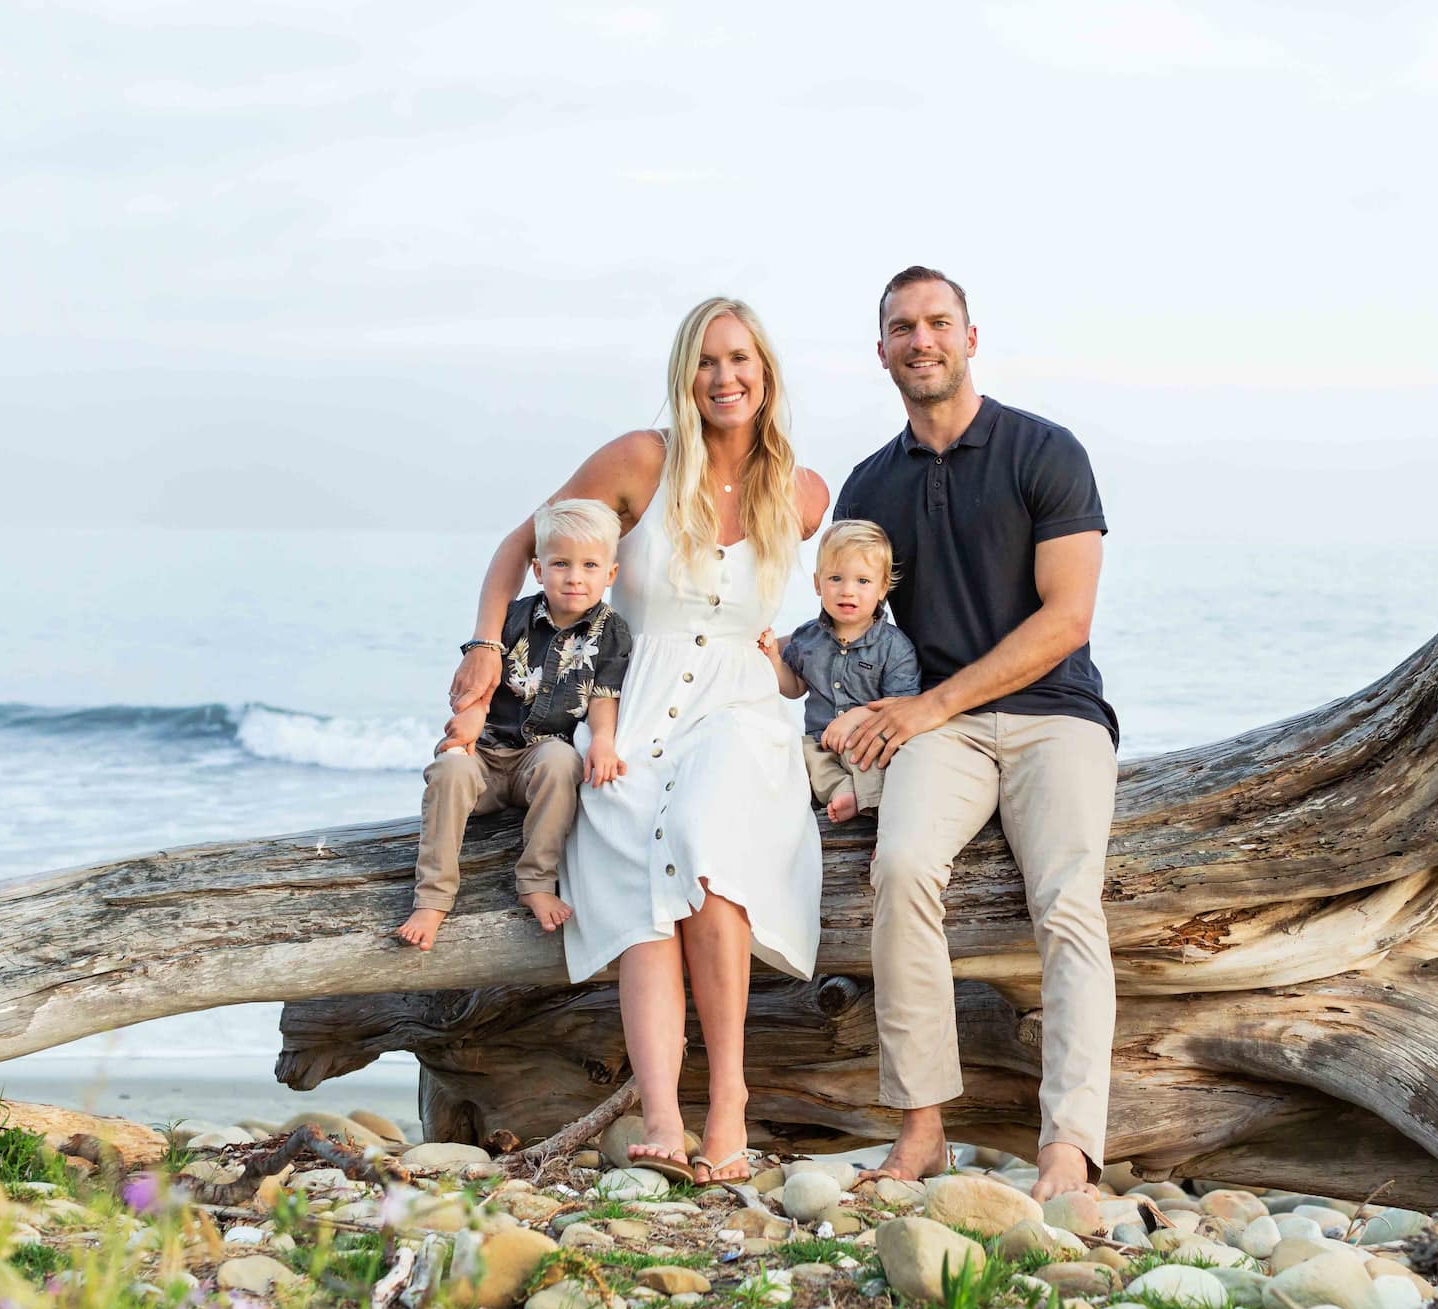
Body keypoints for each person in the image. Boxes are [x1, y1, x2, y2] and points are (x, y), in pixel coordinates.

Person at [447, 297, 828, 1183]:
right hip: (633, 698)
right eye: (706, 361)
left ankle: (727, 1098)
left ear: (766, 372)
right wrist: (483, 645)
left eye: (740, 359)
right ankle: (662, 1113)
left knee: (700, 843)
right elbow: (521, 543)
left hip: (739, 708)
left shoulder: (803, 493)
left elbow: (864, 590)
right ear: (684, 376)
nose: (725, 377)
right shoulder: (640, 462)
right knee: (626, 839)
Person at [835, 266, 1119, 1204]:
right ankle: (921, 1130)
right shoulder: (869, 485)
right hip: (941, 735)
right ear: (881, 350)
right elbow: (852, 627)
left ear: (970, 335)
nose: (922, 339)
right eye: (903, 327)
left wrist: (927, 706)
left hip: (1057, 716)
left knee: (1069, 904)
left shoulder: (1046, 449)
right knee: (902, 867)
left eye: (938, 322)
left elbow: (1066, 617)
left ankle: (1067, 1150)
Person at [398, 498, 631, 951]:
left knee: (563, 760)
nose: (575, 576)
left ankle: (536, 882)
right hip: (486, 754)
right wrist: (465, 728)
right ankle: (433, 897)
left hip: (538, 763)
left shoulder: (611, 630)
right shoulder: (513, 618)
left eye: (589, 565)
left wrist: (603, 740)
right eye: (561, 563)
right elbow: (482, 687)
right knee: (449, 771)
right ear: (539, 570)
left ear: (611, 574)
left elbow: (605, 696)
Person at [762, 519, 921, 823]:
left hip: (867, 744)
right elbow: (794, 686)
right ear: (817, 583)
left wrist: (857, 717)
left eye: (863, 581)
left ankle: (878, 812)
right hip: (821, 745)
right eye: (836, 578)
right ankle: (844, 791)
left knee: (887, 762)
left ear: (882, 587)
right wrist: (773, 659)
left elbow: (903, 706)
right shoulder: (807, 638)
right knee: (796, 753)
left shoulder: (894, 647)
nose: (848, 591)